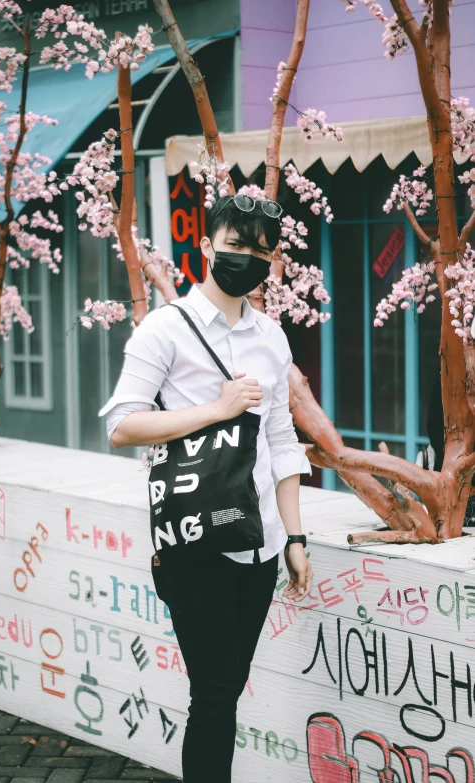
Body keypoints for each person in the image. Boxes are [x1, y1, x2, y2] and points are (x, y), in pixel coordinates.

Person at [99, 193, 313, 783]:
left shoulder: (271, 337)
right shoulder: (165, 331)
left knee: (225, 692)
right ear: (207, 246)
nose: (247, 258)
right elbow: (122, 425)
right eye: (236, 245)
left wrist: (294, 536)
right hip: (197, 546)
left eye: (260, 251)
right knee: (215, 699)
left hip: (262, 546)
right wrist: (216, 410)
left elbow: (280, 437)